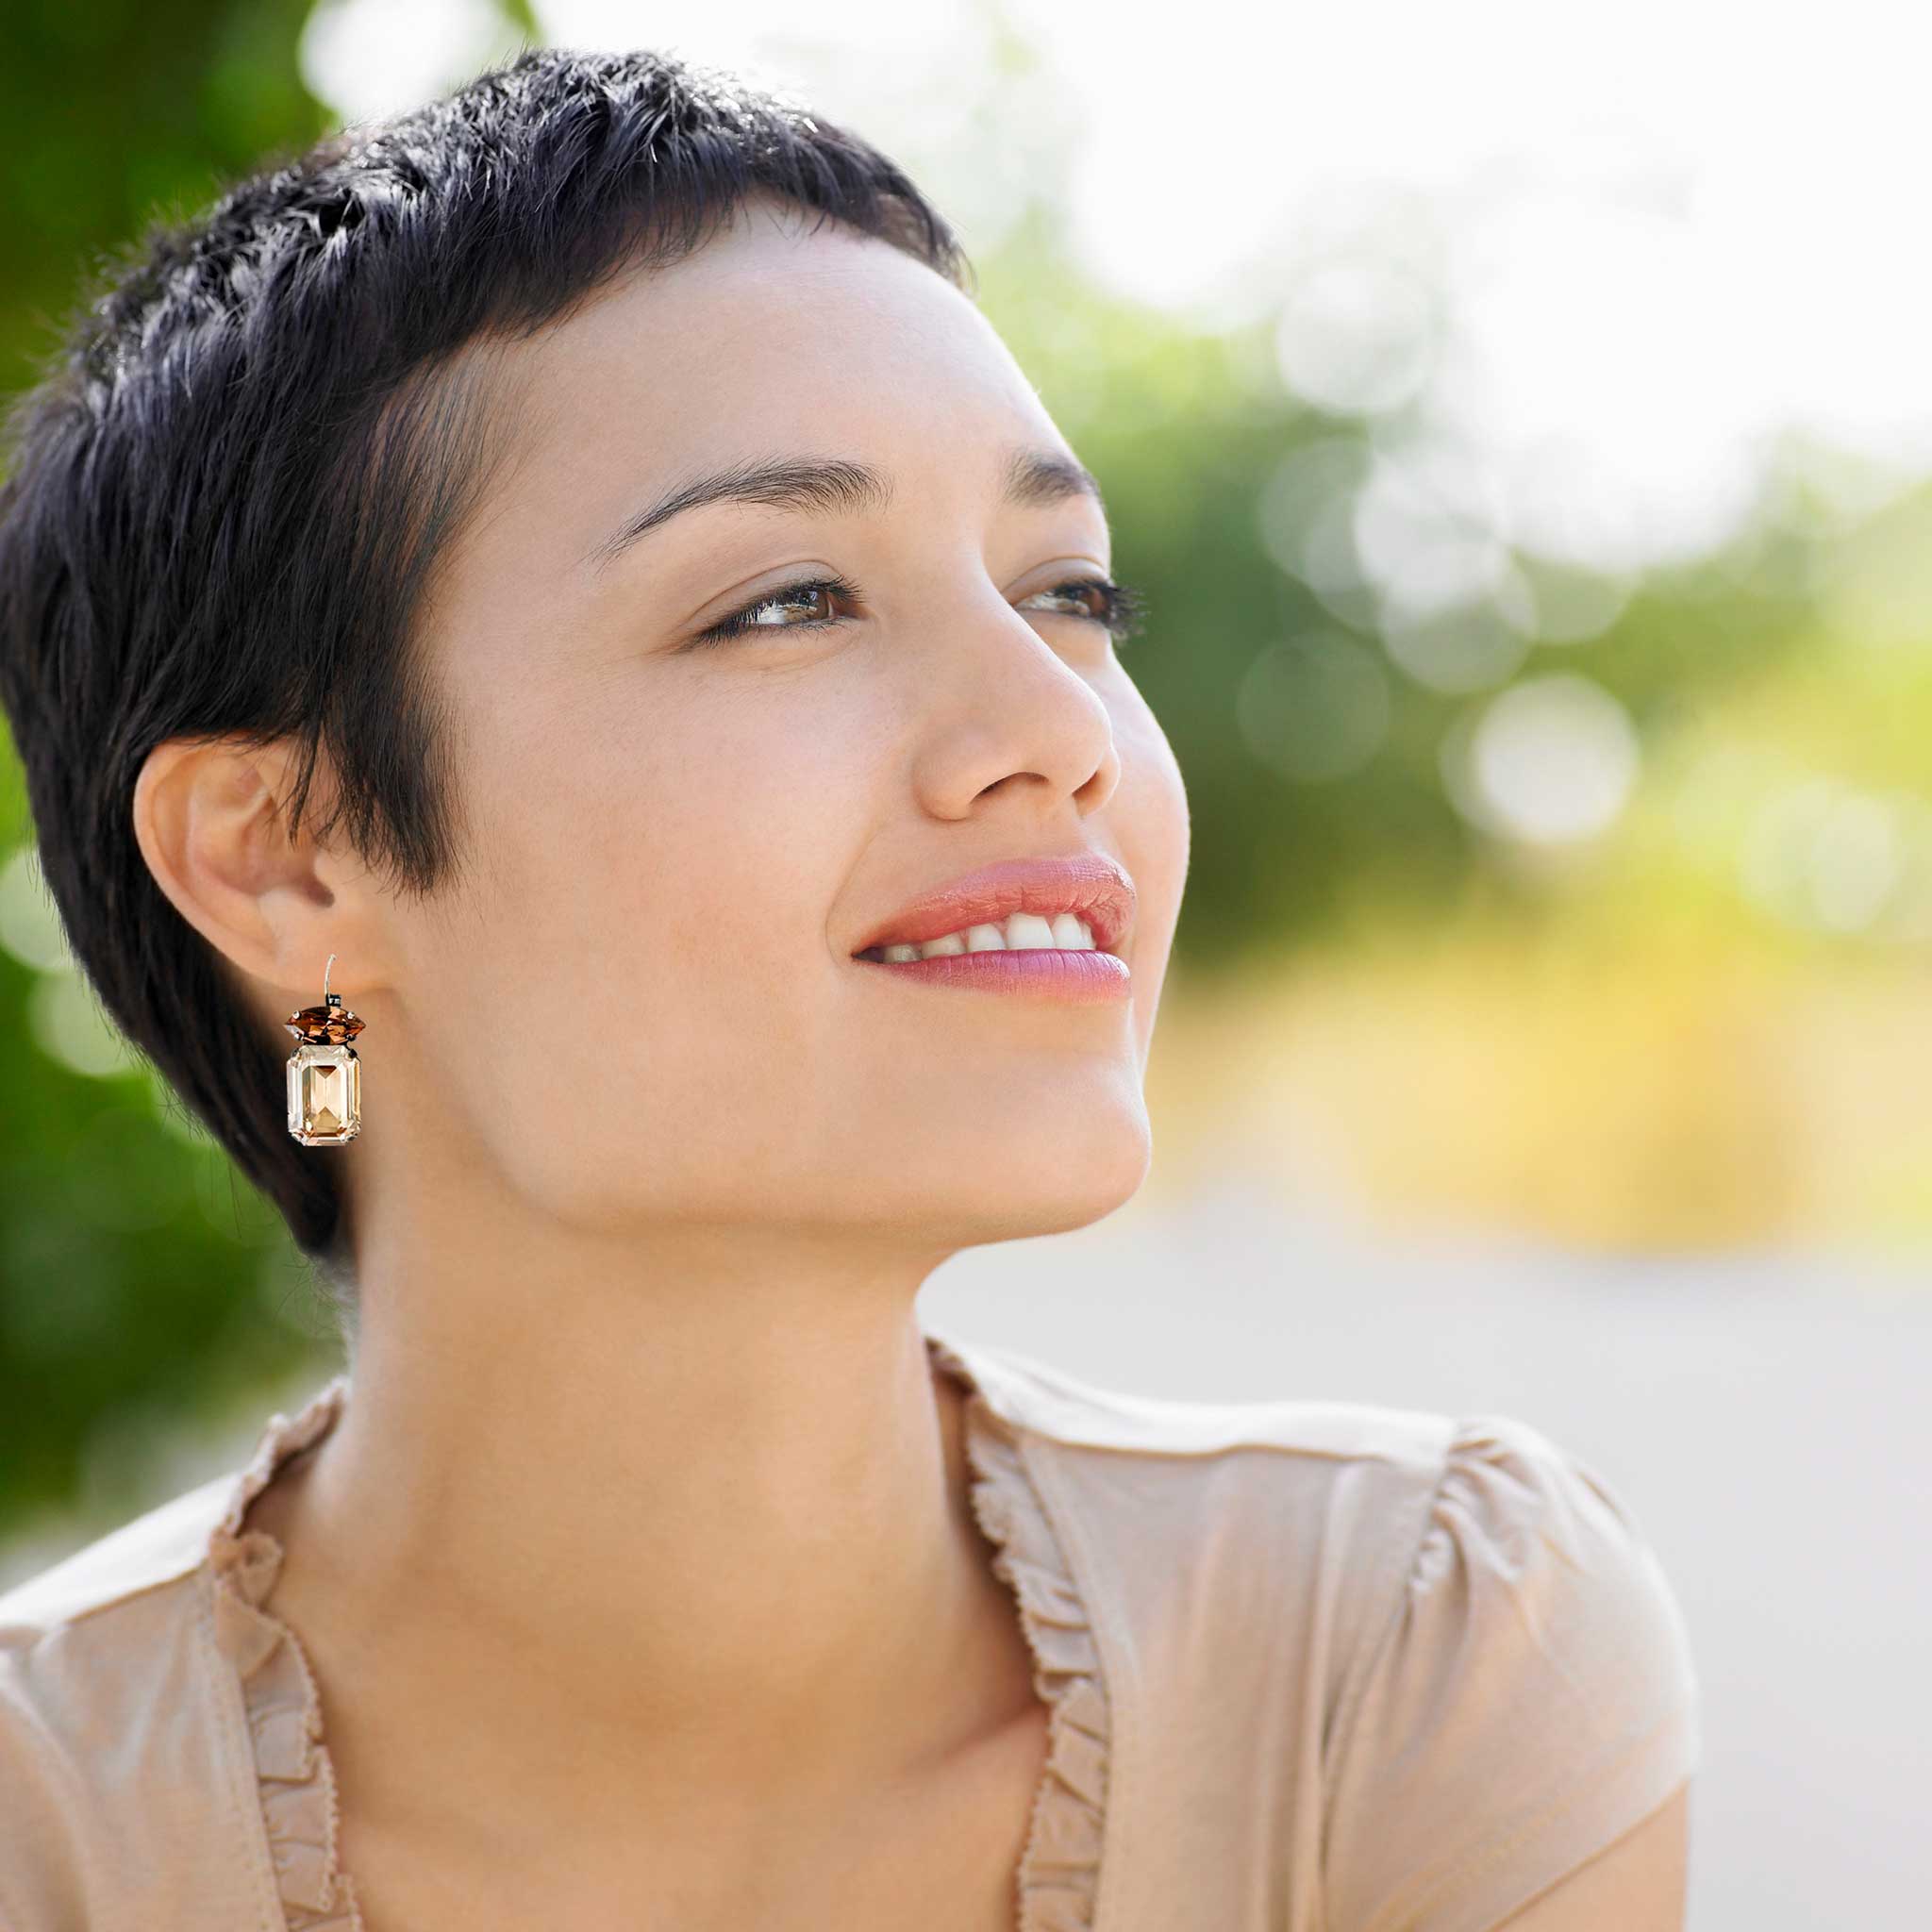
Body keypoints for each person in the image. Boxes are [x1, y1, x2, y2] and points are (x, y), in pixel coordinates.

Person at [0, 44, 1697, 1932]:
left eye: (1068, 591)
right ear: (288, 854)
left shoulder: (1405, 1652)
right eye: (787, 599)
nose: (1055, 728)